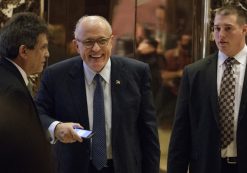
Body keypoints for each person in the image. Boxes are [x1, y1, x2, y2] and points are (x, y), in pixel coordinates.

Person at [35, 15, 160, 173]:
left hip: (124, 166)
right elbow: (37, 112)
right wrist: (56, 127)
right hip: (74, 167)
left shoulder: (137, 73)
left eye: (102, 41)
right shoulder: (56, 75)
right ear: (76, 45)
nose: (96, 48)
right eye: (88, 42)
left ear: (111, 41)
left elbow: (148, 132)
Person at [167, 5, 247, 173]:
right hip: (206, 165)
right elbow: (181, 133)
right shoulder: (195, 73)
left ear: (244, 29)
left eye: (228, 28)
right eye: (217, 28)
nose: (221, 35)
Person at [0, 12, 54, 172]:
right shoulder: (14, 93)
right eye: (43, 47)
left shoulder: (6, 74)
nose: (47, 54)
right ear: (24, 51)